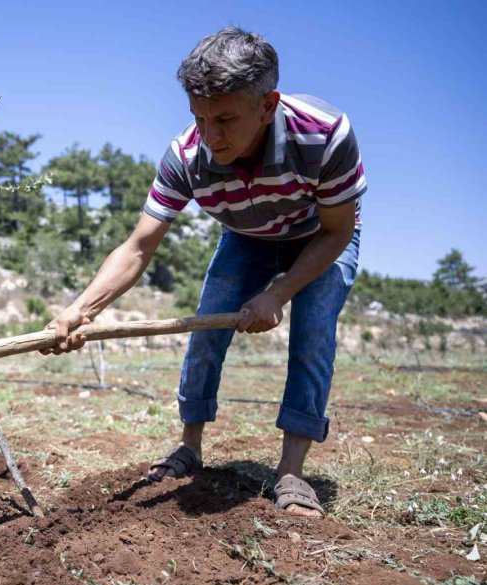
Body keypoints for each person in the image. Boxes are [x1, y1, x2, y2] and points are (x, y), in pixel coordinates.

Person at [43, 26, 366, 517]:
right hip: (247, 237)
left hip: (319, 235)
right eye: (199, 117)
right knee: (206, 329)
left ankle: (292, 472)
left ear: (267, 104)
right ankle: (189, 447)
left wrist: (279, 293)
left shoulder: (325, 137)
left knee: (313, 333)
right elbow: (137, 247)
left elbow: (338, 232)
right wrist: (78, 312)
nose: (210, 136)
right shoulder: (188, 156)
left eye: (225, 119)